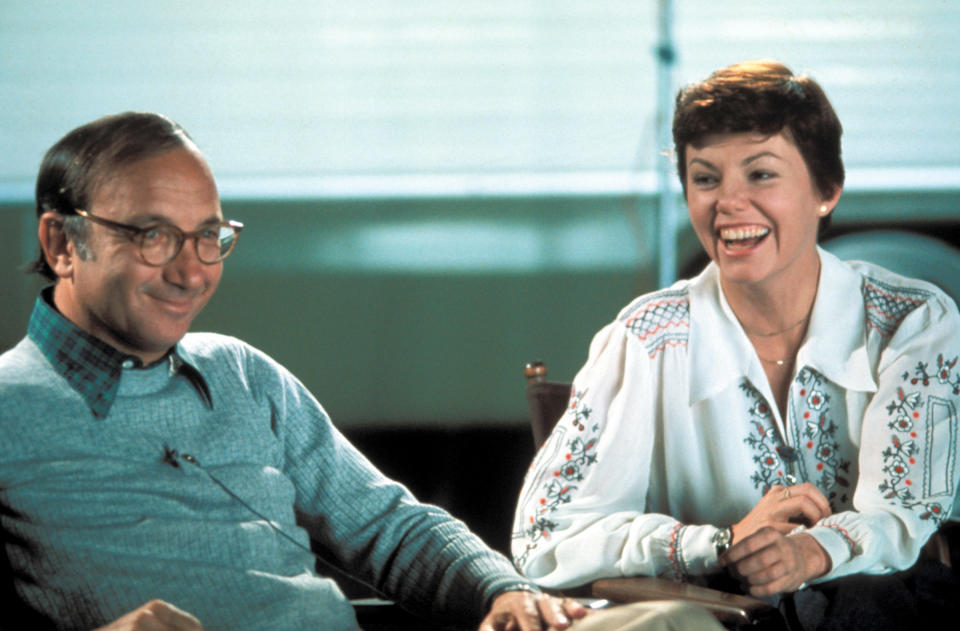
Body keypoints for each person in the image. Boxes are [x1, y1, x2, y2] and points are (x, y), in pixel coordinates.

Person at [0, 111, 599, 631]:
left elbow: (390, 527)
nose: (191, 272)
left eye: (208, 236)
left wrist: (505, 589)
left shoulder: (241, 375)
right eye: (154, 236)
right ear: (61, 244)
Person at [512, 60, 960, 630]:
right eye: (705, 178)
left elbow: (903, 512)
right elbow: (543, 536)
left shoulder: (914, 320)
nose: (728, 202)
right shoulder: (644, 338)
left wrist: (812, 551)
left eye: (761, 174)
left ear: (827, 191)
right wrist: (716, 543)